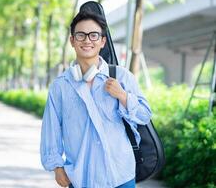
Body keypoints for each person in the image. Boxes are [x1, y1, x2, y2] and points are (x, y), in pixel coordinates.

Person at [40, 10, 152, 188]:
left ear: (103, 41)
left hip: (121, 175)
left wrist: (122, 96)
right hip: (81, 178)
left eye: (93, 35)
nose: (87, 40)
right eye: (81, 35)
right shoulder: (60, 86)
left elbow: (144, 115)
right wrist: (57, 167)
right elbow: (51, 130)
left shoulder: (122, 77)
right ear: (72, 40)